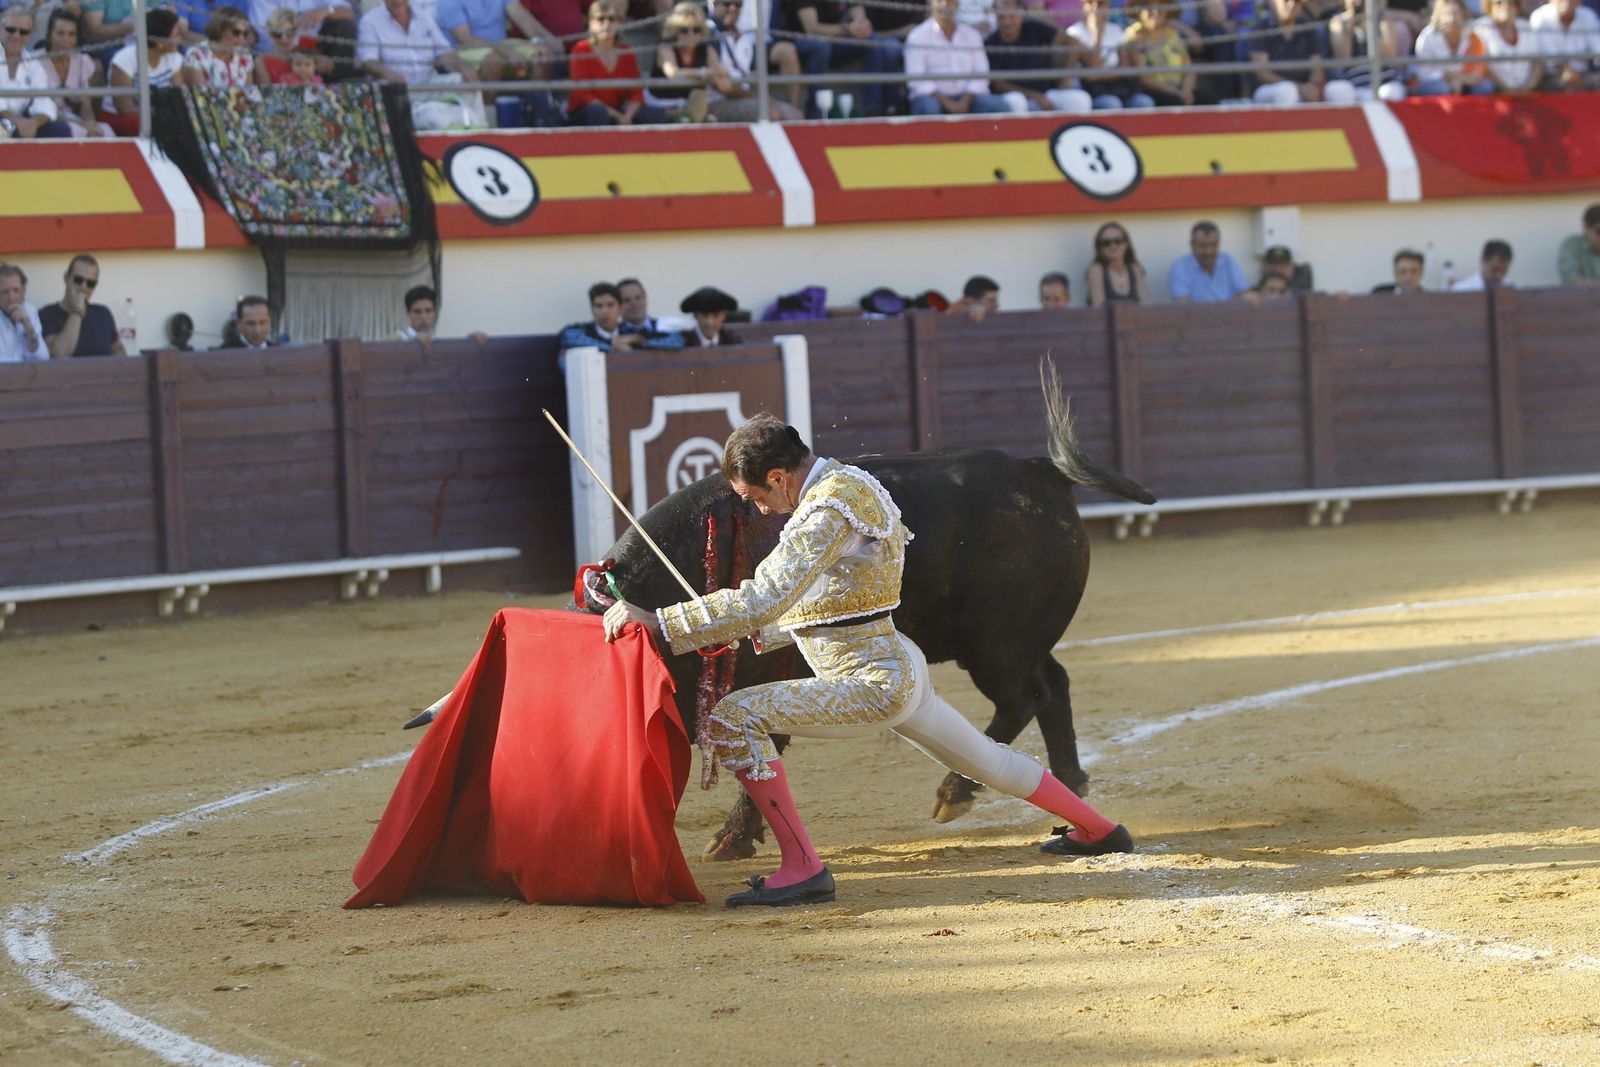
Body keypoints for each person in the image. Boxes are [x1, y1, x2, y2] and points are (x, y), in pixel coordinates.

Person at [600, 416, 1134, 907]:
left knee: (735, 717)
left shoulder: (824, 513)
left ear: (781, 477)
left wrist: (662, 623)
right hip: (899, 663)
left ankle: (803, 867)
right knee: (987, 762)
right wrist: (750, 635)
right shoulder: (853, 486)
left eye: (754, 495)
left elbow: (764, 596)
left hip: (868, 683)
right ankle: (1100, 830)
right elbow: (835, 595)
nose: (757, 509)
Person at [565, 0, 662, 125]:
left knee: (655, 115)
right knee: (598, 113)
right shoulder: (581, 50)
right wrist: (617, 116)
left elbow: (637, 92)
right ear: (590, 23)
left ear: (618, 23)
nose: (606, 24)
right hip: (587, 112)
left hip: (618, 109)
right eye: (600, 19)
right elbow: (583, 95)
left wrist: (628, 115)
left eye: (611, 19)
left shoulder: (625, 51)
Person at [904, 0, 1010, 115]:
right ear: (930, 4)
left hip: (969, 99)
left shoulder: (972, 35)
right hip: (932, 98)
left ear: (957, 5)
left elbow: (982, 74)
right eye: (939, 1)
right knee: (928, 107)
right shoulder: (917, 36)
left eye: (949, 1)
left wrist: (965, 100)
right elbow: (916, 81)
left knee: (1001, 106)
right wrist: (947, 103)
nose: (944, 5)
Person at [985, 0, 1091, 112]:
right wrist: (1035, 96)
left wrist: (1066, 77)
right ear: (995, 18)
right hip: (1019, 100)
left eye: (1011, 16)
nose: (1007, 22)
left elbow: (1071, 41)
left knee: (1081, 100)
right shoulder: (991, 43)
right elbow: (998, 85)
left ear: (1021, 14)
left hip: (1045, 94)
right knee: (1017, 102)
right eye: (1002, 17)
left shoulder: (1033, 27)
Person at [708, 0, 804, 120]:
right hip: (719, 100)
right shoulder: (706, 33)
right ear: (714, 5)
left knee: (795, 115)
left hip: (744, 96)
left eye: (738, 5)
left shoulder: (744, 37)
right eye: (727, 4)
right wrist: (756, 97)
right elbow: (723, 86)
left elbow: (751, 75)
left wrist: (765, 98)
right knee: (769, 112)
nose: (733, 8)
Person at [103, 9, 185, 137]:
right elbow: (123, 108)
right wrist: (160, 113)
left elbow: (178, 97)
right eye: (176, 36)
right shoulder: (125, 58)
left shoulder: (175, 58)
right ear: (160, 43)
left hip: (159, 114)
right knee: (143, 124)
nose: (180, 39)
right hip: (119, 117)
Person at [644, 1, 726, 123]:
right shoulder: (665, 47)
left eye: (696, 30)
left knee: (700, 99)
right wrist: (703, 73)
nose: (690, 35)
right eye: (684, 30)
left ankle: (691, 117)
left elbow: (719, 71)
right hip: (662, 103)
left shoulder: (706, 49)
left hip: (692, 102)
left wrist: (712, 73)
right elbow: (673, 73)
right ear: (674, 31)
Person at [35, 9, 111, 138]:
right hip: (47, 122)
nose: (66, 39)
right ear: (49, 34)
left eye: (71, 34)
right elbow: (42, 109)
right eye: (60, 33)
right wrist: (81, 124)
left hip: (76, 122)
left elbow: (86, 107)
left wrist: (89, 124)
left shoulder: (83, 61)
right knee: (78, 131)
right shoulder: (35, 62)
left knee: (105, 131)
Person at [1124, 0, 1211, 107]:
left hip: (1179, 88)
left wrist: (1186, 91)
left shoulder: (1172, 33)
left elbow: (1188, 68)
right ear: (1139, 11)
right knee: (1174, 102)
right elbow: (1144, 77)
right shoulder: (1134, 35)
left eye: (1160, 8)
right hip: (1153, 89)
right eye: (1149, 8)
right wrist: (1176, 92)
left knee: (1208, 99)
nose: (1155, 12)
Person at [1066, 0, 1151, 108]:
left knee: (1143, 102)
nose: (1096, 7)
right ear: (1083, 6)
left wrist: (1100, 76)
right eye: (1090, 2)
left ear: (1108, 6)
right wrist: (1098, 34)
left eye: (1101, 3)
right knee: (1112, 103)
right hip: (1092, 90)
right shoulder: (1075, 32)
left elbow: (1124, 68)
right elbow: (1093, 68)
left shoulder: (1115, 30)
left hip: (1117, 87)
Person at [1, 5, 68, 139]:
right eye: (10, 30)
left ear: (31, 34)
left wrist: (33, 122)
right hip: (8, 122)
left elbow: (44, 101)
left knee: (61, 131)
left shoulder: (34, 64)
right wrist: (17, 121)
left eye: (23, 32)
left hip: (19, 123)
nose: (16, 36)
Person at [558, 282, 682, 353]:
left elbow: (677, 340)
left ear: (621, 308)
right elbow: (567, 337)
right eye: (599, 306)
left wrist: (640, 340)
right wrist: (611, 346)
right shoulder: (582, 331)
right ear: (592, 309)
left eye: (610, 305)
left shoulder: (632, 333)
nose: (604, 311)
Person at [39, 254, 125, 358]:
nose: (84, 287)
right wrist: (77, 310)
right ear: (66, 278)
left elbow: (118, 349)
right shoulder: (47, 315)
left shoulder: (103, 314)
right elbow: (59, 355)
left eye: (90, 283)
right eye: (78, 280)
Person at [1248, 0, 1330, 104]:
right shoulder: (1260, 28)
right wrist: (1300, 87)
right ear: (1273, 2)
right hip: (1269, 90)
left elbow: (1317, 67)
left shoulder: (1308, 27)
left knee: (1340, 89)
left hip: (1306, 88)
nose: (1291, 4)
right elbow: (1263, 74)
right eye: (1286, 0)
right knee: (1287, 91)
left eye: (1296, 1)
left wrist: (1312, 86)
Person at [1410, 0, 1489, 94]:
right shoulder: (1427, 37)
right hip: (1432, 83)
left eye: (1456, 14)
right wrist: (1451, 77)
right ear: (1439, 16)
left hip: (1464, 82)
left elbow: (1477, 74)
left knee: (1486, 86)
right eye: (1447, 14)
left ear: (1463, 15)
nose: (1451, 19)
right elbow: (1425, 73)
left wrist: (1460, 81)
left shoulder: (1473, 37)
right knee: (1442, 87)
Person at [180, 6, 262, 87]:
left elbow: (249, 90)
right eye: (236, 32)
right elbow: (201, 96)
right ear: (221, 29)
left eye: (245, 33)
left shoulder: (244, 55)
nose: (241, 38)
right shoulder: (196, 56)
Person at [1169, 220, 1250, 302]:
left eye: (1213, 245)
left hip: (1229, 314)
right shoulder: (1181, 266)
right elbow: (1182, 303)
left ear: (1219, 244)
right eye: (1202, 246)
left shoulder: (1228, 260)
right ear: (1192, 245)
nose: (1208, 251)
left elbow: (1244, 294)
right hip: (1196, 315)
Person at [1529, 0, 1600, 90]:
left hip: (1584, 74)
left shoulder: (1588, 16)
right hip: (1550, 76)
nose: (1567, 1)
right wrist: (1565, 70)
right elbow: (1545, 54)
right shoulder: (1540, 17)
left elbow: (1597, 48)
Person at [1475, 0, 1542, 94]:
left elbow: (1537, 62)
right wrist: (1505, 88)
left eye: (1511, 2)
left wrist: (1529, 85)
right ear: (1489, 6)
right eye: (1499, 2)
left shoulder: (1526, 27)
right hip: (1494, 92)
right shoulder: (1480, 28)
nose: (1506, 6)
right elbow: (1480, 66)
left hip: (1527, 91)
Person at [1084, 220, 1150, 305]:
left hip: (1136, 318)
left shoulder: (1135, 268)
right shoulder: (1096, 270)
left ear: (1126, 244)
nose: (1113, 245)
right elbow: (1099, 308)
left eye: (1118, 241)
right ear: (1099, 248)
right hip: (1107, 318)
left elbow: (1146, 305)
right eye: (1106, 243)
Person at [398, 284, 488, 345]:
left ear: (434, 312)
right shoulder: (393, 340)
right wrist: (412, 345)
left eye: (428, 311)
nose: (423, 316)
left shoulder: (437, 342)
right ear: (408, 313)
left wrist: (471, 343)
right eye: (417, 312)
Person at [0, 264, 49, 363]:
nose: (11, 297)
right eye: (5, 292)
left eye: (16, 290)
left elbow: (44, 358)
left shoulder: (30, 311)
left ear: (23, 292)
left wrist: (28, 327)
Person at [1556, 203, 1600, 285]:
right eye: (1599, 231)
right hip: (1580, 297)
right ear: (1586, 228)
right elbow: (1571, 279)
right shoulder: (1572, 245)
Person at [1450, 239, 1514, 291]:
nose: (1499, 275)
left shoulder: (1515, 289)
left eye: (1504, 271)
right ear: (1482, 260)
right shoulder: (1460, 289)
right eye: (1495, 270)